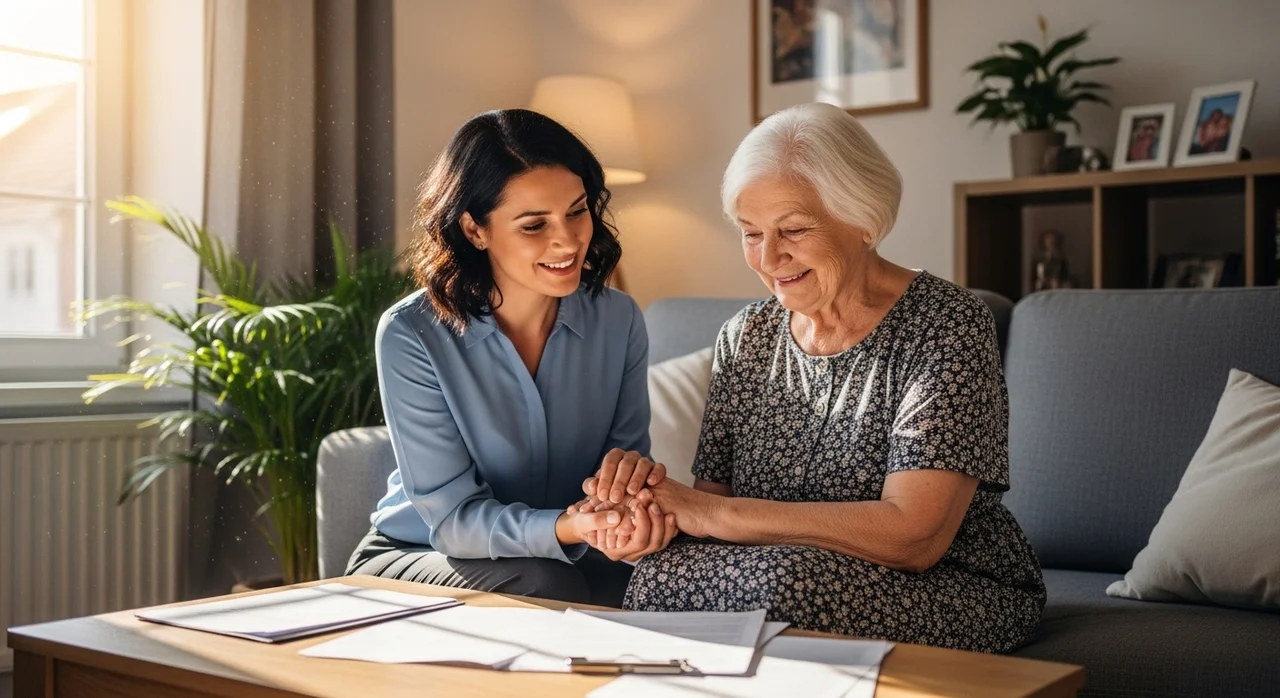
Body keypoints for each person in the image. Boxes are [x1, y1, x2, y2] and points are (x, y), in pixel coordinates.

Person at [585, 102, 1046, 654]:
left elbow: (915, 535)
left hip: (949, 582)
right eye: (750, 232)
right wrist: (647, 525)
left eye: (794, 230)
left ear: (864, 220)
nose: (769, 257)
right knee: (659, 576)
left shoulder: (947, 324)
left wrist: (710, 513)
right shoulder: (745, 336)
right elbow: (710, 510)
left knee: (782, 588)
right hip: (778, 569)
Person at [344, 109, 675, 607]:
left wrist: (628, 514)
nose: (567, 240)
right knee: (544, 585)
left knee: (661, 580)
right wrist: (567, 527)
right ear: (476, 230)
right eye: (534, 225)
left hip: (568, 548)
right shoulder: (411, 333)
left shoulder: (619, 319)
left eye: (577, 210)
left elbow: (624, 464)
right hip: (421, 551)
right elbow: (453, 521)